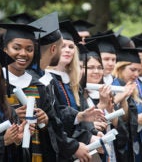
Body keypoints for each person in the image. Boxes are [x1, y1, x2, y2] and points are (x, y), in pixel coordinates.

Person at [29, 12, 104, 161]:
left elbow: (59, 114)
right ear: (53, 49)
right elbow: (54, 121)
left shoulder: (72, 82)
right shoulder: (41, 80)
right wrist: (78, 142)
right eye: (62, 46)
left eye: (71, 46)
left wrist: (89, 130)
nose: (67, 50)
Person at [0, 23, 48, 161]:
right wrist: (13, 115)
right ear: (5, 49)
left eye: (29, 49)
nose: (23, 54)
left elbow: (54, 126)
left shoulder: (38, 85)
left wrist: (46, 119)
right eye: (16, 48)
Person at [112, 48, 142, 161]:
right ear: (120, 68)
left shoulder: (132, 88)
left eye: (138, 70)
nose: (136, 74)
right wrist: (136, 120)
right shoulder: (113, 88)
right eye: (133, 70)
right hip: (121, 149)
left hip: (136, 145)